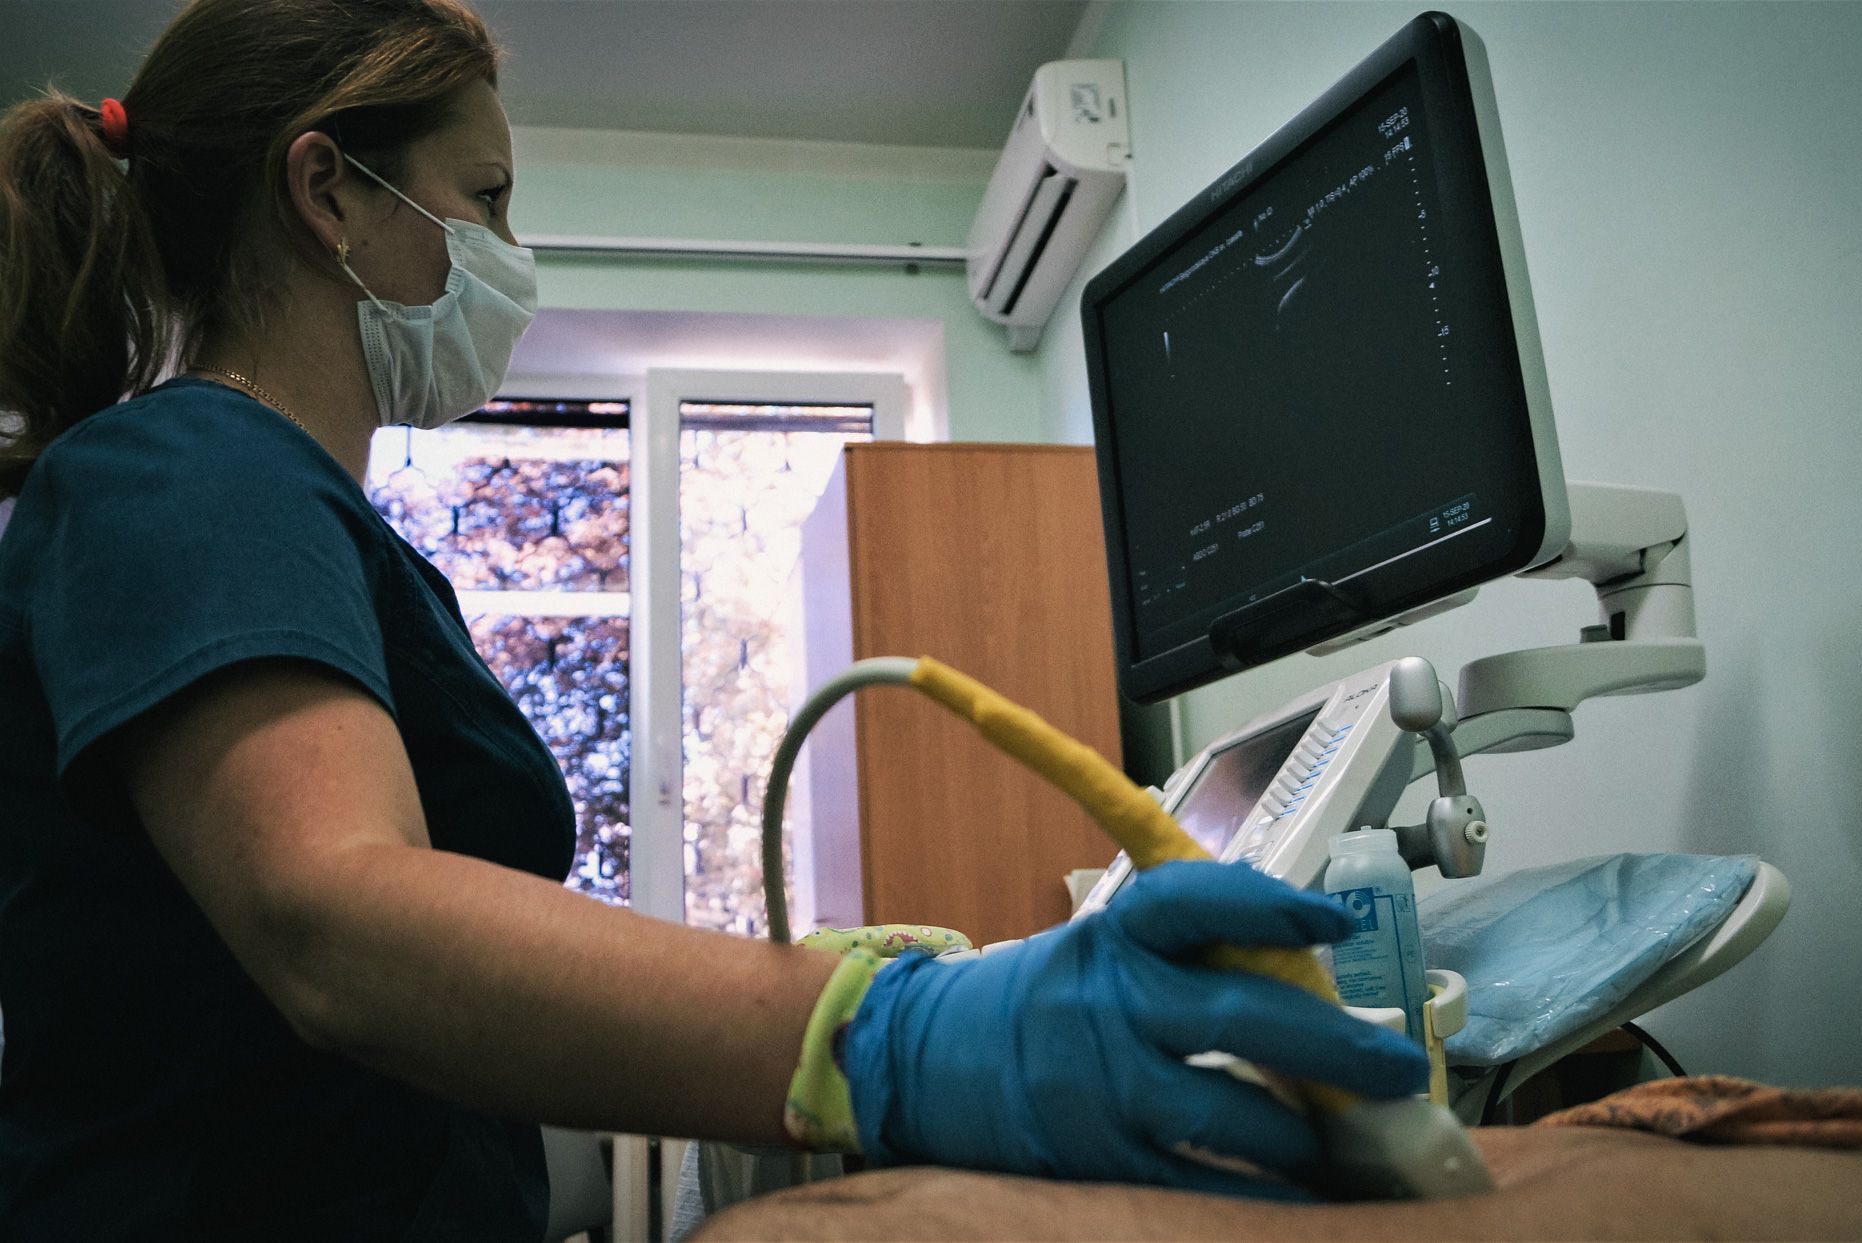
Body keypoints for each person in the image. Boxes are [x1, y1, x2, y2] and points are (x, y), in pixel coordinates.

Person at [0, 1, 1428, 1237]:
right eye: (485, 198)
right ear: (327, 191)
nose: (511, 250)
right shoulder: (186, 470)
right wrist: (889, 1037)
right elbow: (333, 917)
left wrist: (839, 988)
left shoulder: (305, 521)